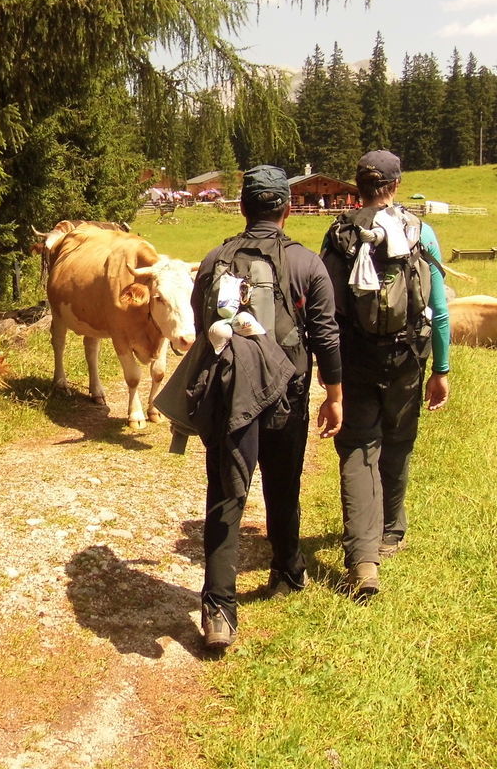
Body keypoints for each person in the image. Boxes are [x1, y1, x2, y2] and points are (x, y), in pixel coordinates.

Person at [188, 165, 344, 650]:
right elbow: (325, 335)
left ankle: (218, 612)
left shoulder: (216, 258)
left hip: (231, 394)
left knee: (226, 497)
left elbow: (201, 323)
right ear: (287, 207)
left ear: (243, 206)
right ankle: (288, 569)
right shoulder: (307, 264)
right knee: (284, 483)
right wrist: (334, 394)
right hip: (287, 394)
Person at [320, 150, 450, 599]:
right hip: (408, 360)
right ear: (396, 185)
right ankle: (392, 531)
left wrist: (329, 377)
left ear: (357, 187)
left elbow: (327, 313)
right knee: (398, 441)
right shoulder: (420, 231)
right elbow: (440, 311)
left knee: (358, 449)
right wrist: (442, 368)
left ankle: (362, 560)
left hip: (356, 361)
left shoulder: (339, 233)